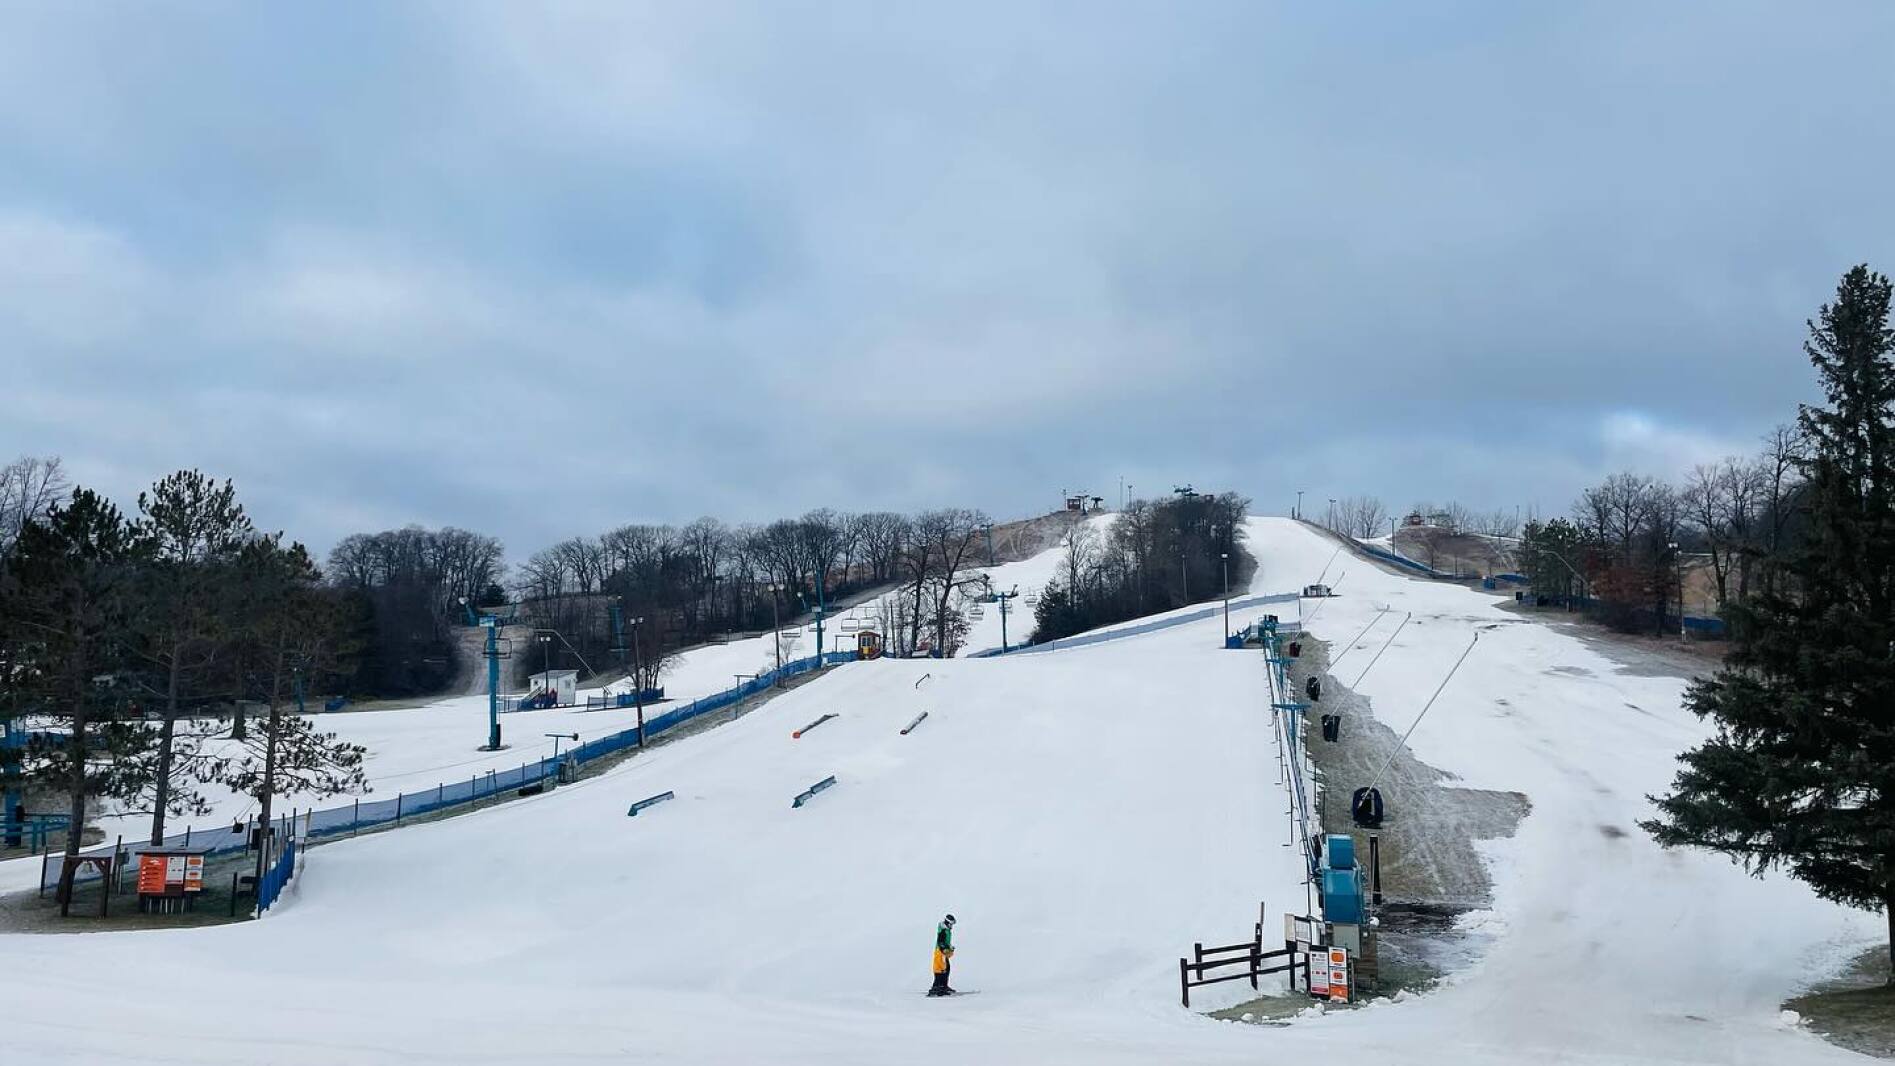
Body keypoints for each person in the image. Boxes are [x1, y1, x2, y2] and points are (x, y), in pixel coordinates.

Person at [928, 914, 957, 996]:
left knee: (947, 968)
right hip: (940, 953)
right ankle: (937, 987)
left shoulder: (947, 930)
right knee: (940, 969)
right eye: (951, 924)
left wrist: (949, 947)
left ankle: (944, 986)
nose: (952, 926)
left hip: (943, 953)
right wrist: (944, 949)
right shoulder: (943, 930)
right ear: (948, 923)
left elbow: (945, 942)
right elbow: (940, 941)